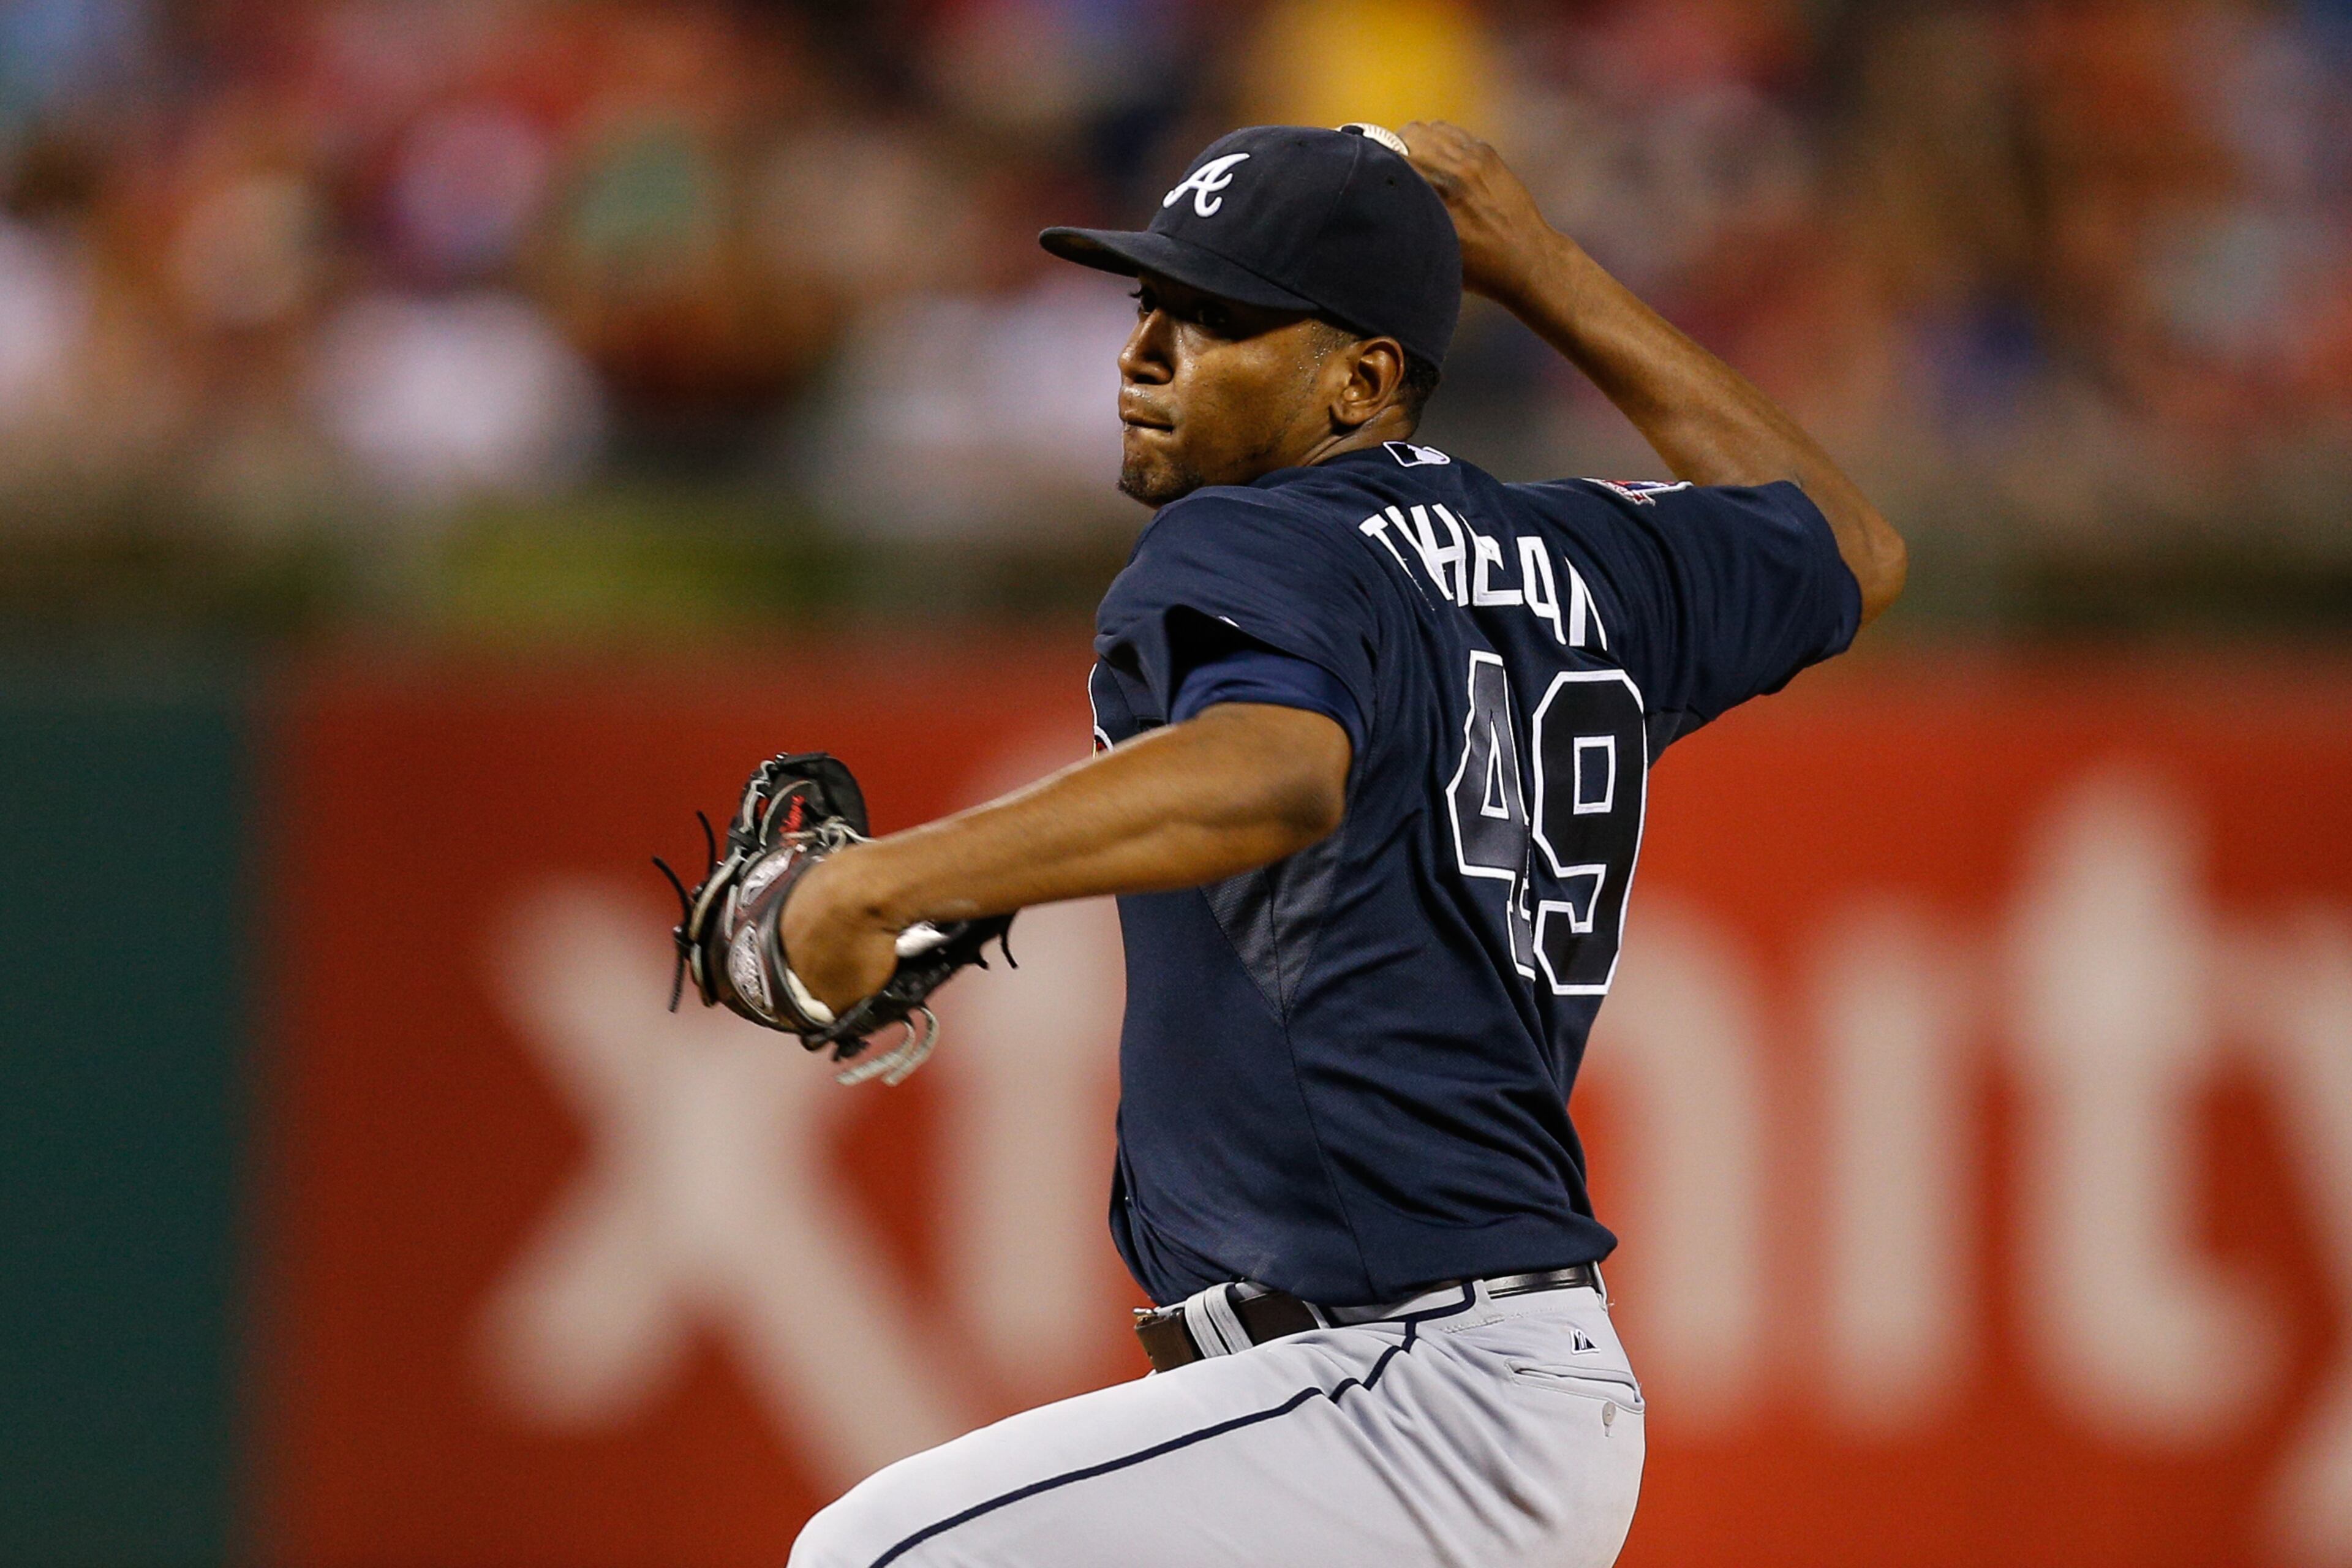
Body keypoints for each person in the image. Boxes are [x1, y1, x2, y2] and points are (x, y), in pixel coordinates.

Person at [780, 121, 1905, 1568]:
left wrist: (891, 876)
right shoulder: (1586, 556)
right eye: (1151, 306)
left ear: (1363, 380)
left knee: (874, 1554)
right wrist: (1543, 268)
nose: (1148, 351)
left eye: (1220, 320)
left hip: (1395, 1387)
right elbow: (1848, 547)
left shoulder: (1253, 535)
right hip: (1481, 1381)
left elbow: (1279, 768)